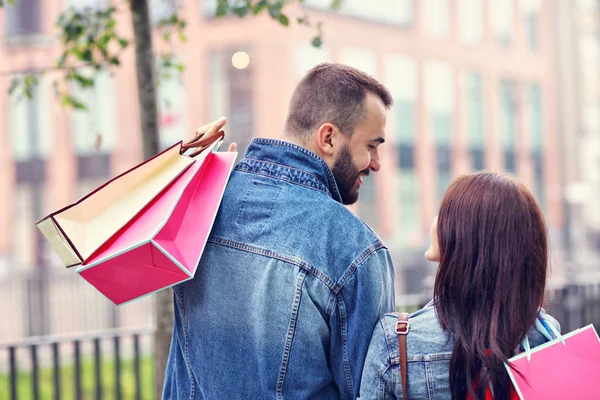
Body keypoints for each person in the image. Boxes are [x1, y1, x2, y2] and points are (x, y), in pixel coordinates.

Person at [163, 63, 396, 399]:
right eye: (372, 146)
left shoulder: (202, 203)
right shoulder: (355, 249)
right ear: (328, 137)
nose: (376, 162)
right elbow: (372, 389)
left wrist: (181, 178)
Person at [359, 172, 560, 400]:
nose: (435, 222)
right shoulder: (544, 334)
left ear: (462, 236)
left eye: (444, 214)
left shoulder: (397, 340)